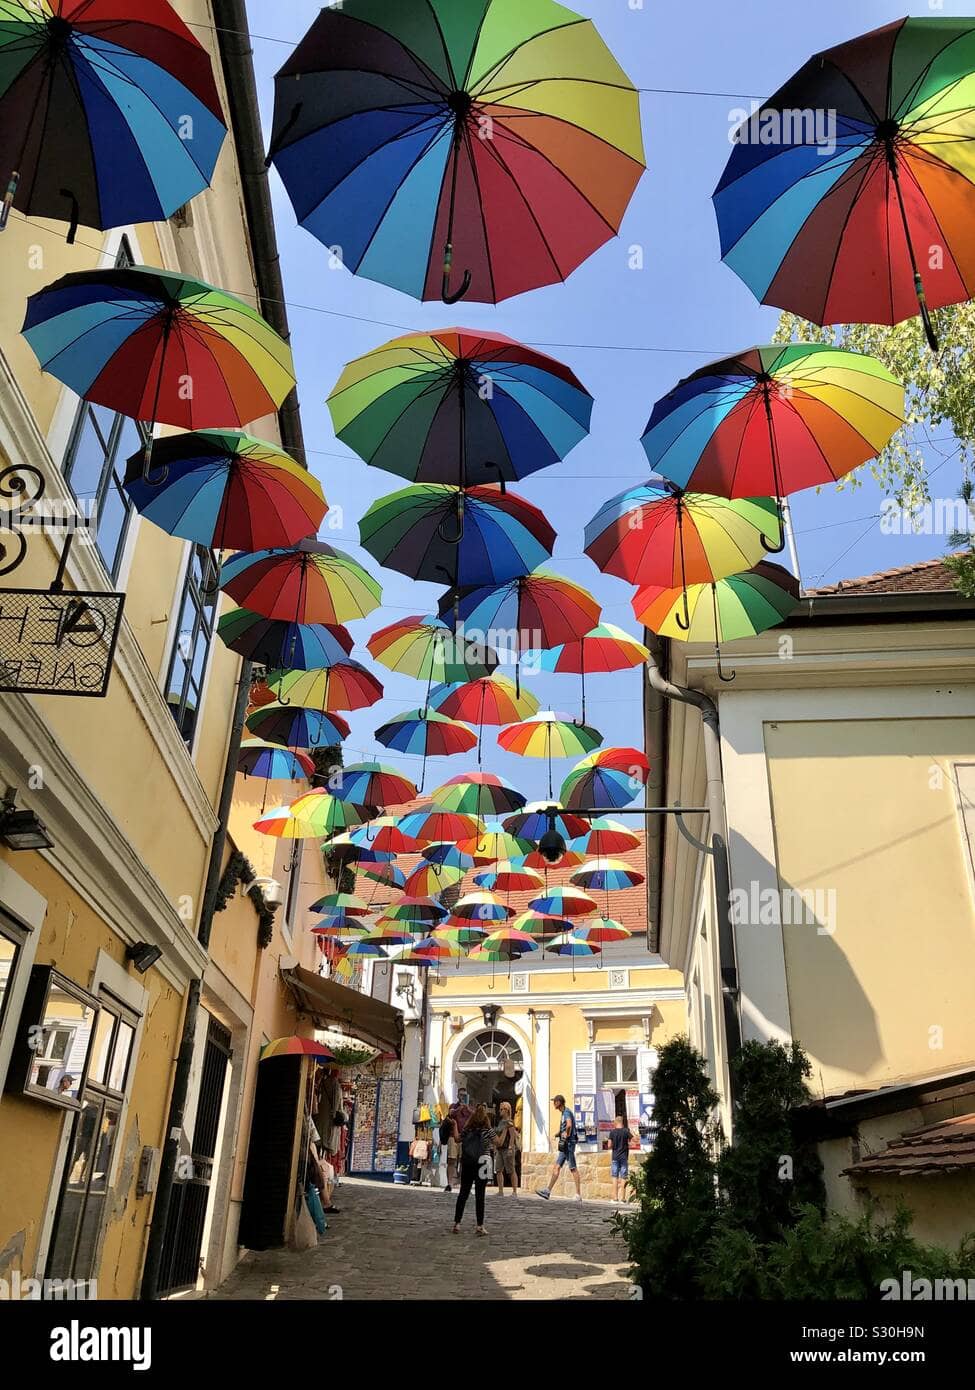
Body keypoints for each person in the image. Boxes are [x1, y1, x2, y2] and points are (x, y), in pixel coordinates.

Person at [452, 1103, 493, 1236]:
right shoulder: (488, 1131)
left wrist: (454, 1126)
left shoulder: (467, 1130)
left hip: (468, 1163)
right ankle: (479, 1226)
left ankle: (457, 1223)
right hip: (483, 1163)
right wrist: (505, 1130)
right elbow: (498, 1142)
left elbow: (457, 1139)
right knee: (480, 1196)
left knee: (463, 1193)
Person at [536, 1095, 582, 1201]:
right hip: (565, 1144)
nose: (553, 1104)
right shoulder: (564, 1112)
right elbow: (567, 1126)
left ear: (558, 1102)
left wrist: (566, 1134)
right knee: (556, 1167)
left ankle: (578, 1194)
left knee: (573, 1168)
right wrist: (559, 1134)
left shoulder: (566, 1112)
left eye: (554, 1102)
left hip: (568, 1144)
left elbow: (569, 1124)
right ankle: (547, 1191)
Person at [493, 1101, 519, 1198]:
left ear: (506, 1110)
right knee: (499, 1169)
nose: (500, 1111)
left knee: (511, 1170)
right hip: (500, 1149)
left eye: (501, 1109)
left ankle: (514, 1191)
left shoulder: (509, 1122)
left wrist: (510, 1148)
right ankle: (500, 1191)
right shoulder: (501, 1122)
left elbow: (512, 1137)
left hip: (507, 1148)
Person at [609, 1114, 633, 1203]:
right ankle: (623, 1198)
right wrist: (629, 1143)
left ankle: (615, 1198)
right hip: (624, 1157)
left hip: (615, 1157)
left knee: (615, 1177)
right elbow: (633, 1140)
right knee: (623, 1177)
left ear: (616, 1122)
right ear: (622, 1122)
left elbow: (609, 1145)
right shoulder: (626, 1131)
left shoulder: (612, 1132)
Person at [439, 1110, 459, 1192]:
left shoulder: (469, 1110)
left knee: (465, 1161)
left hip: (465, 1136)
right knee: (451, 1161)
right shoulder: (453, 1107)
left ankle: (463, 1184)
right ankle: (450, 1184)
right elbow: (445, 1123)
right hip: (452, 1137)